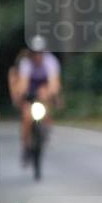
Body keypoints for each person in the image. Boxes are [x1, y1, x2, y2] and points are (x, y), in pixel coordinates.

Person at [16, 35, 62, 165]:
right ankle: (25, 146)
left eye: (40, 52)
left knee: (46, 106)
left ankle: (47, 130)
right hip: (30, 90)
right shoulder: (26, 63)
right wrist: (22, 95)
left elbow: (54, 82)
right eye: (34, 53)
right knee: (26, 117)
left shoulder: (50, 61)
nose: (37, 56)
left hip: (44, 89)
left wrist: (52, 93)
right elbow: (23, 83)